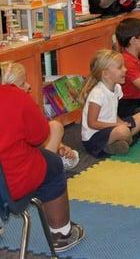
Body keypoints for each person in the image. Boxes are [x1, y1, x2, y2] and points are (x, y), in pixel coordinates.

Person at [0, 83, 85, 252]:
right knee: (52, 164)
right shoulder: (12, 95)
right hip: (10, 186)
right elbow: (39, 136)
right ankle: (61, 233)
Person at [0, 62, 79, 170]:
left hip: (17, 161)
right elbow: (39, 136)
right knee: (55, 127)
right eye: (22, 84)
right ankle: (49, 167)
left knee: (53, 129)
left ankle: (56, 158)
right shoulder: (21, 105)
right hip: (20, 167)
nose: (28, 86)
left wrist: (59, 146)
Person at [79, 50, 140, 157]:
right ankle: (124, 139)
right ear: (105, 74)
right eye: (120, 68)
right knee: (123, 131)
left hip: (111, 127)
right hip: (94, 137)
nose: (125, 69)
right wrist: (118, 125)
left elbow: (112, 114)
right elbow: (92, 123)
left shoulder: (117, 88)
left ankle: (117, 143)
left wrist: (121, 123)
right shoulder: (97, 93)